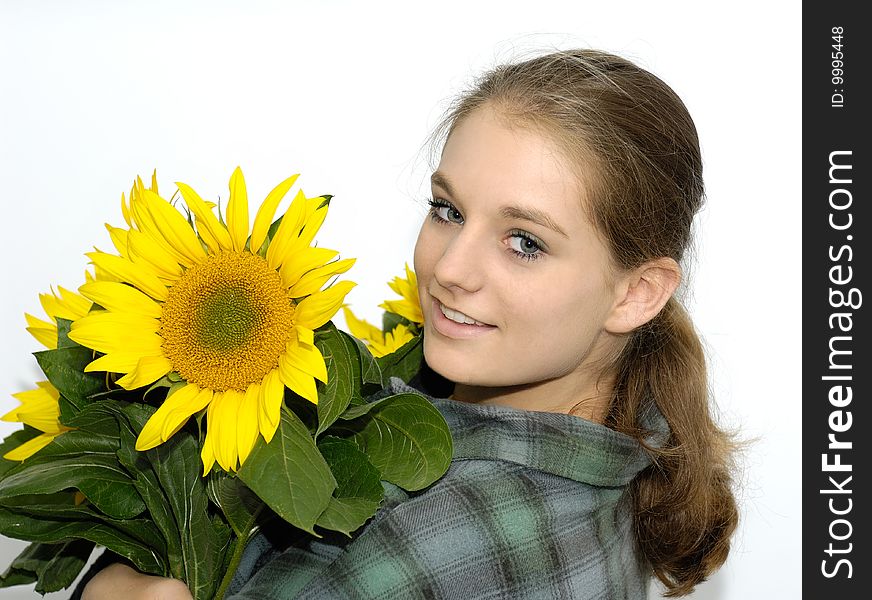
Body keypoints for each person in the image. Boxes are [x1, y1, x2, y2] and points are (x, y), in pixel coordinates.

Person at [79, 48, 738, 599]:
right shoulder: (626, 447)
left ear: (637, 293)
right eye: (448, 210)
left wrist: (109, 587)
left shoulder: (436, 541)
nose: (451, 268)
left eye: (525, 242)